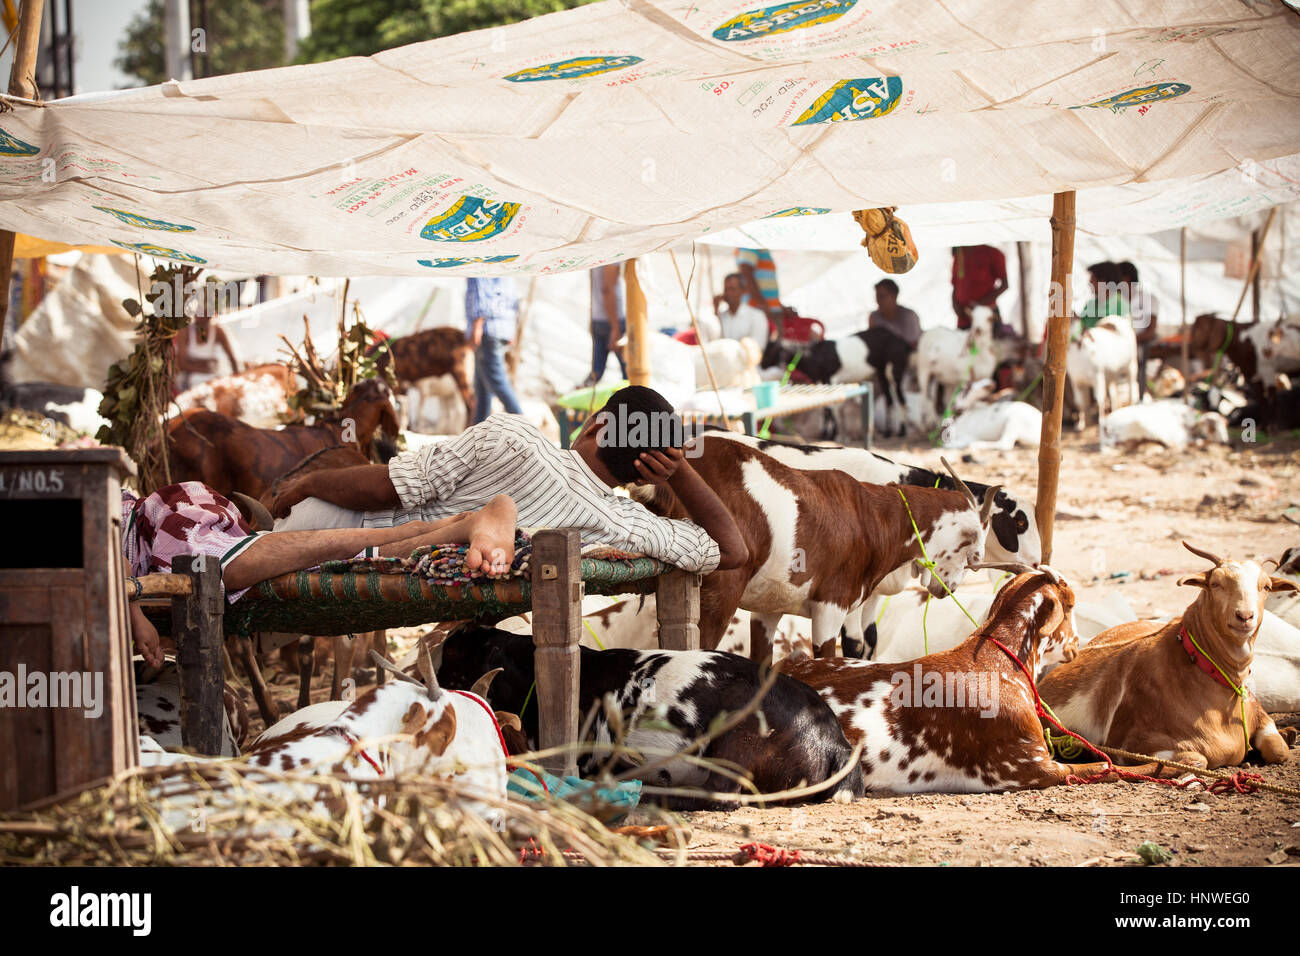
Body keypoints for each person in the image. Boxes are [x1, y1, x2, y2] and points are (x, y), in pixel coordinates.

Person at [269, 384, 748, 576]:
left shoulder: (514, 434)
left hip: (327, 547)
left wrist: (309, 483)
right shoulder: (624, 525)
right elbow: (734, 551)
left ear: (598, 425)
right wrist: (679, 469)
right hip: (401, 577)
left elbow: (389, 487)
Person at [122, 481, 521, 668]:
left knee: (219, 569)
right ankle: (463, 524)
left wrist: (134, 612)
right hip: (165, 529)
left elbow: (99, 543)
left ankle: (487, 512)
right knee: (326, 561)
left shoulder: (74, 502)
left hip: (159, 526)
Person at [465, 276, 524, 424]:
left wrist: (476, 328)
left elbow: (481, 295)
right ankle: (477, 433)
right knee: (483, 388)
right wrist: (512, 330)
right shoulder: (505, 268)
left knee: (498, 382)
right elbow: (513, 301)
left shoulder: (479, 264)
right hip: (502, 329)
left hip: (488, 330)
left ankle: (524, 424)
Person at [1117, 260, 1159, 398]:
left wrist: (1130, 341)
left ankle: (1139, 395)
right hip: (1119, 344)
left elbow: (1151, 331)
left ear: (1126, 279)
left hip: (1140, 342)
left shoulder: (1148, 298)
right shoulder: (1115, 300)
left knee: (1139, 359)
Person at [584, 263, 626, 387]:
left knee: (596, 371)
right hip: (612, 320)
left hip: (598, 319)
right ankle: (627, 405)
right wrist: (615, 327)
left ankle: (574, 400)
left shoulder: (596, 253)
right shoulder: (613, 255)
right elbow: (607, 289)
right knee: (629, 372)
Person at [175, 314, 241, 392]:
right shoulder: (185, 331)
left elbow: (232, 358)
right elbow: (181, 364)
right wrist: (206, 367)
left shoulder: (217, 330)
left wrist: (237, 379)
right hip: (189, 381)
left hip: (211, 379)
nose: (203, 316)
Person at [951, 245, 1008, 330]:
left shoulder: (992, 253)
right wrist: (955, 305)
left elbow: (1004, 285)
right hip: (964, 320)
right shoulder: (959, 253)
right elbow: (955, 285)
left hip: (986, 317)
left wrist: (978, 305)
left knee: (987, 341)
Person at [705, 272, 770, 345]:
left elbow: (758, 346)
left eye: (732, 289)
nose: (728, 293)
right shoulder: (721, 316)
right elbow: (714, 342)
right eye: (726, 289)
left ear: (743, 291)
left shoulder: (757, 316)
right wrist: (716, 311)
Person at [735, 248, 784, 336]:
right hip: (760, 310)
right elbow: (746, 273)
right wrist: (764, 306)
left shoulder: (760, 247)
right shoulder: (750, 245)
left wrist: (779, 306)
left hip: (765, 309)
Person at [867, 278, 921, 349]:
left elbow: (913, 346)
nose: (878, 301)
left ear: (894, 296)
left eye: (882, 297)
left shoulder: (909, 316)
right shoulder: (874, 317)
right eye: (877, 297)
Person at [1076, 260, 1129, 333]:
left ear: (1103, 281)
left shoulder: (1121, 306)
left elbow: (1122, 334)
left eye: (1092, 279)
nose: (1089, 283)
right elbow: (1081, 328)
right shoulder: (1090, 304)